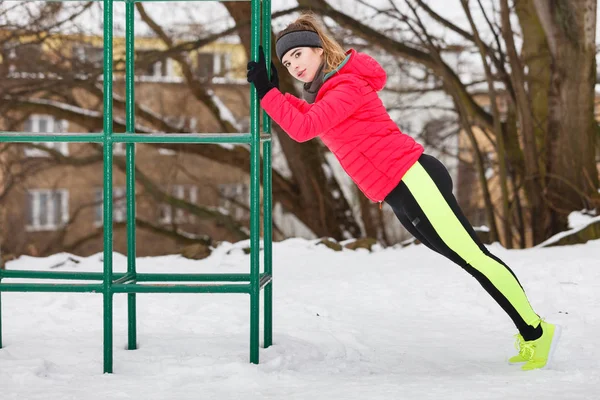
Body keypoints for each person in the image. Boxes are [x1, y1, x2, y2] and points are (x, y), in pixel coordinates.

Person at [246, 12, 560, 371]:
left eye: (298, 55)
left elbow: (304, 128)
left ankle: (536, 331)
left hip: (414, 178)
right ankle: (530, 331)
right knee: (468, 262)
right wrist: (277, 94)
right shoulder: (329, 93)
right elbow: (308, 116)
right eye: (286, 62)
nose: (293, 65)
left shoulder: (347, 85)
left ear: (318, 50)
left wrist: (269, 94)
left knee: (476, 258)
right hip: (399, 191)